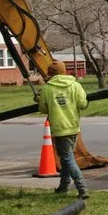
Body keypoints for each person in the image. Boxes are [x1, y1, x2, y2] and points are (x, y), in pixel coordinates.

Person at [38, 61, 90, 199]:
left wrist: (40, 100)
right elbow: (83, 104)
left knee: (67, 158)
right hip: (73, 127)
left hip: (59, 128)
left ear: (51, 74)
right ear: (64, 71)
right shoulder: (75, 85)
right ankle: (63, 186)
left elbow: (43, 109)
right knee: (67, 157)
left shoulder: (47, 88)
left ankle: (82, 187)